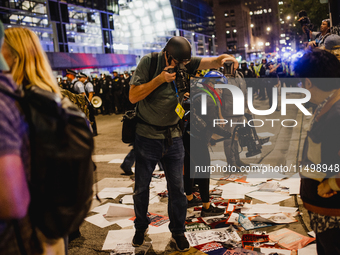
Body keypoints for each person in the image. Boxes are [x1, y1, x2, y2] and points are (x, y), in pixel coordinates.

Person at [129, 36, 238, 251]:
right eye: (179, 63)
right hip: (147, 137)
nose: (182, 67)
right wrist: (159, 80)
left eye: (185, 64)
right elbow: (133, 96)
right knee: (141, 188)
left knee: (177, 189)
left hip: (173, 136)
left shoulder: (184, 63)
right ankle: (140, 227)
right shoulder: (149, 62)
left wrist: (227, 58)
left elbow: (214, 61)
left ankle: (178, 231)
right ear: (168, 55)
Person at [1, 25, 65, 254]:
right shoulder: (52, 97)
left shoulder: (15, 102)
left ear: (13, 56)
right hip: (54, 218)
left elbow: (11, 201)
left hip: (29, 229)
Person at [294, 48, 340, 255]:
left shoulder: (337, 113)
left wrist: (330, 184)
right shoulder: (327, 104)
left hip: (334, 215)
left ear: (309, 82)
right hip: (323, 213)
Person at [184, 71, 231, 216]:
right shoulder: (209, 100)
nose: (221, 91)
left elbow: (199, 120)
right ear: (212, 84)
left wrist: (208, 136)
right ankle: (206, 207)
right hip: (196, 139)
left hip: (186, 135)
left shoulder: (197, 92)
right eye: (220, 87)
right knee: (204, 172)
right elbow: (211, 125)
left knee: (190, 167)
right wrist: (228, 134)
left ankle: (189, 198)